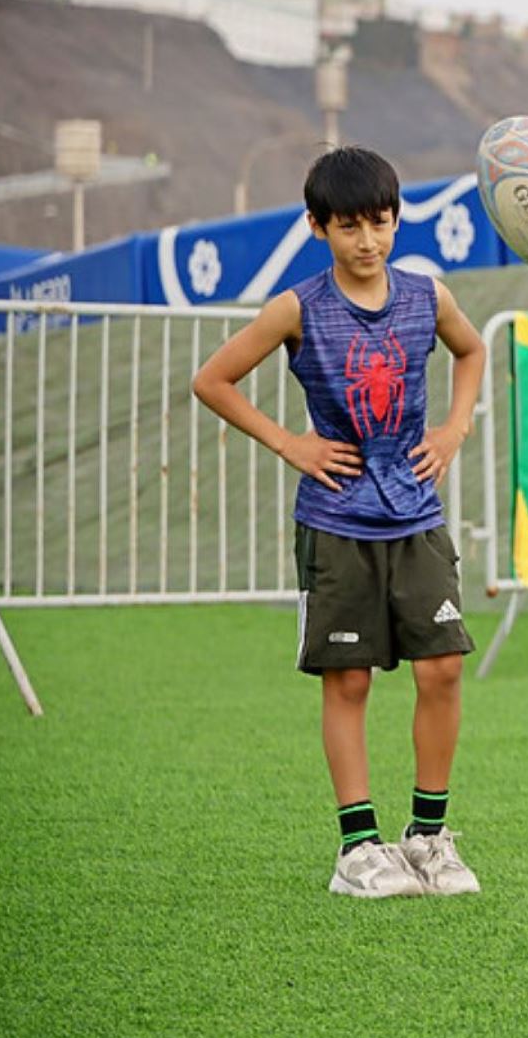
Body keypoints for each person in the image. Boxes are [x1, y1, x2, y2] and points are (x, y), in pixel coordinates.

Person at [192, 146, 486, 899]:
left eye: (380, 222)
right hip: (336, 523)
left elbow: (473, 349)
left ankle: (428, 839)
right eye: (348, 225)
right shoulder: (297, 307)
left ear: (396, 220)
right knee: (348, 680)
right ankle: (358, 848)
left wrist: (454, 430)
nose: (368, 241)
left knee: (444, 667)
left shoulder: (427, 295)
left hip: (417, 515)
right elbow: (212, 379)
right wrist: (290, 443)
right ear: (317, 226)